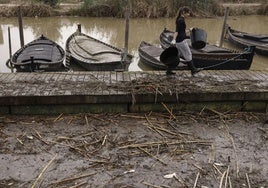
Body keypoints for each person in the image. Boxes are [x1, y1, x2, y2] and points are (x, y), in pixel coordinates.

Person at [171, 6, 201, 76]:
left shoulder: (180, 19)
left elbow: (182, 31)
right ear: (184, 12)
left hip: (180, 40)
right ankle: (193, 70)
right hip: (181, 41)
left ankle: (169, 70)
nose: (189, 15)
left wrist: (190, 30)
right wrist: (173, 40)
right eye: (188, 13)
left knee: (177, 56)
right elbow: (177, 32)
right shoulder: (181, 20)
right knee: (188, 54)